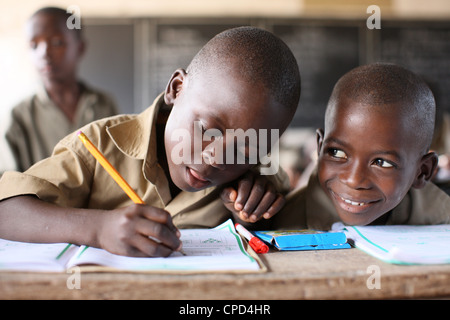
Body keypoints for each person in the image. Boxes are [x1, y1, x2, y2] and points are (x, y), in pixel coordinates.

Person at [0, 26, 301, 257]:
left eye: (244, 148)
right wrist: (97, 228)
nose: (217, 158)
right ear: (177, 88)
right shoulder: (97, 146)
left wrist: (249, 219)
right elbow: (6, 211)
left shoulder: (256, 178)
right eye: (208, 129)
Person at [274, 63, 450, 231]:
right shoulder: (277, 222)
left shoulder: (441, 221)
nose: (354, 180)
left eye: (382, 162)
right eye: (336, 152)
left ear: (422, 172)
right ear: (320, 148)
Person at [0, 7, 118, 174]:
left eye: (57, 43)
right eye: (34, 45)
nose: (44, 53)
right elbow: (6, 192)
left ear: (80, 48)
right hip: (36, 201)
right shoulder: (18, 117)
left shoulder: (104, 105)